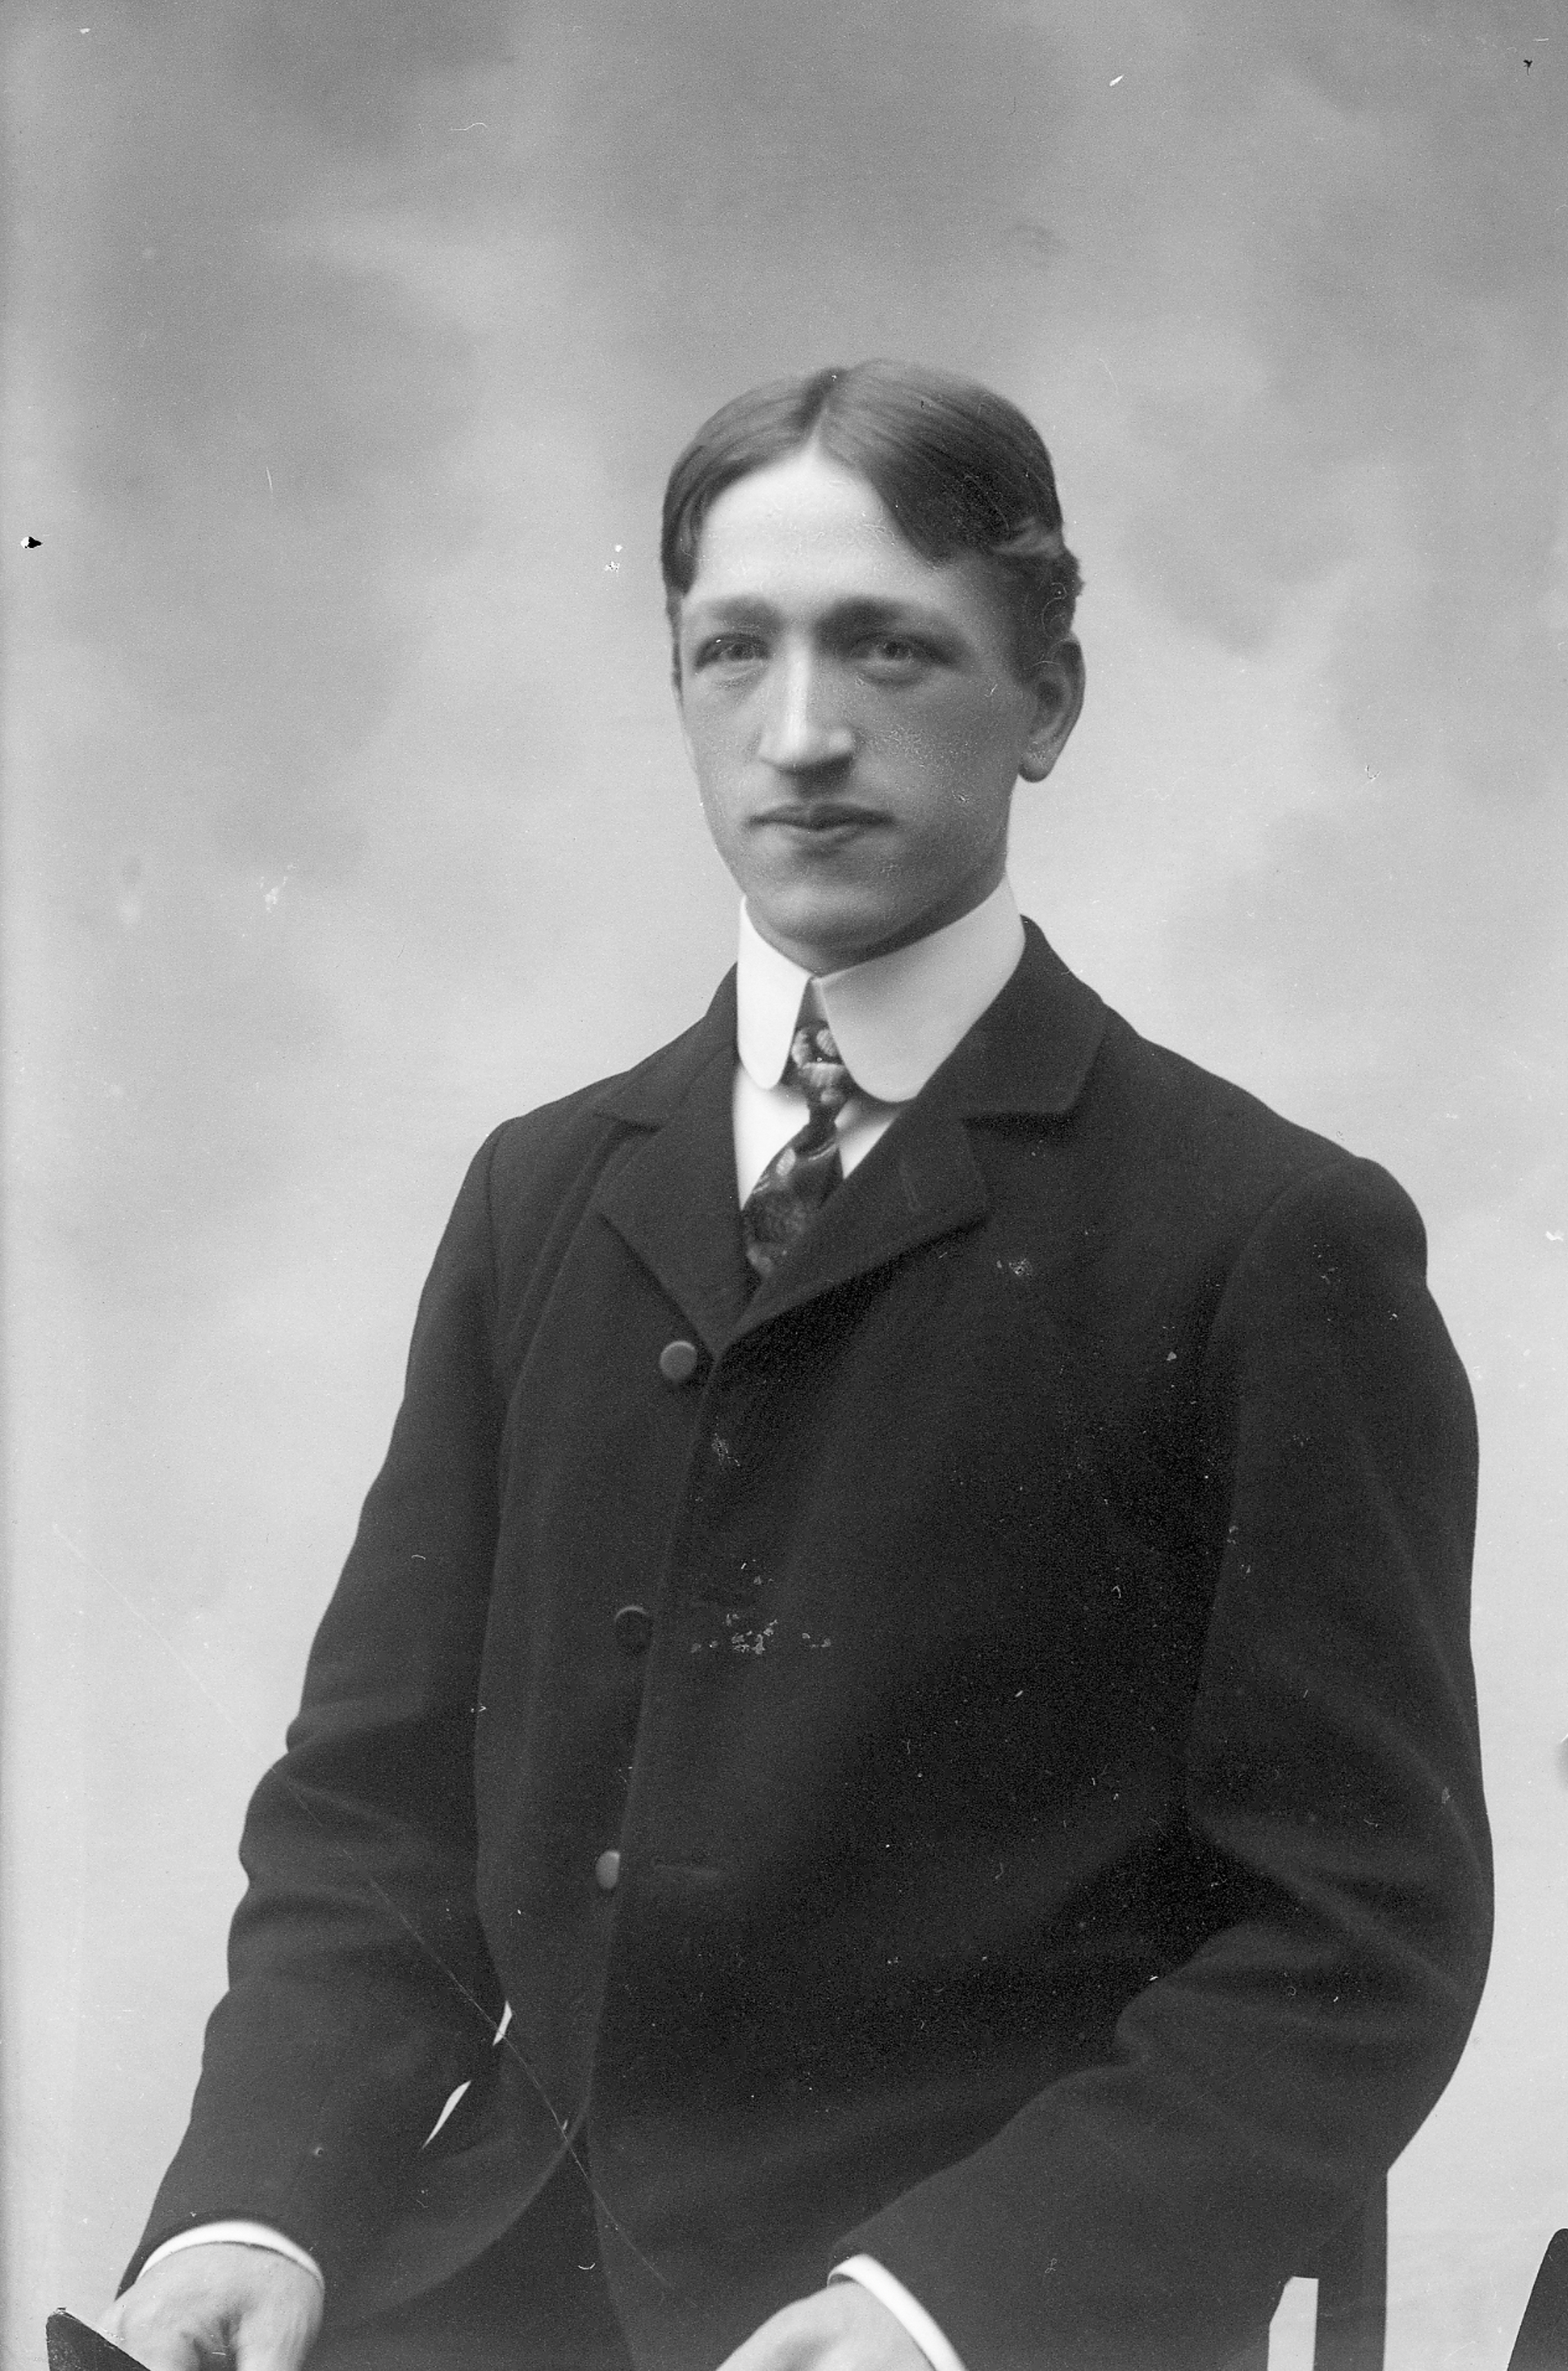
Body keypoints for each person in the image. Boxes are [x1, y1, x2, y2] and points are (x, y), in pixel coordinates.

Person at [102, 361, 1492, 2371]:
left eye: (891, 648)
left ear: (1048, 700)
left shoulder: (1264, 1236)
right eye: (734, 650)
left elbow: (1356, 1936)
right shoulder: (544, 1194)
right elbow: (372, 1813)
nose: (804, 732)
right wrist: (261, 2200)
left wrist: (948, 2305)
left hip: (968, 2303)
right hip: (500, 2279)